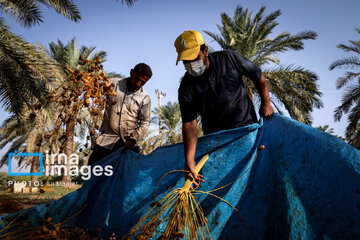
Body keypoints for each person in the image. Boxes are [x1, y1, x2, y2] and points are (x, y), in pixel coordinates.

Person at [174, 30, 274, 187]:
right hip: (216, 140)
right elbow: (190, 124)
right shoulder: (186, 86)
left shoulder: (229, 58)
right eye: (186, 61)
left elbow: (258, 75)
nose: (191, 64)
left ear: (205, 51)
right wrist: (190, 160)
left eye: (195, 58)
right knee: (223, 182)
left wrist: (266, 102)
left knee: (255, 176)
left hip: (245, 129)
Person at [88, 63, 152, 165]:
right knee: (94, 169)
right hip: (105, 141)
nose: (138, 84)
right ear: (131, 72)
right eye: (137, 79)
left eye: (143, 83)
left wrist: (133, 140)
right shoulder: (112, 84)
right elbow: (95, 91)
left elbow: (145, 123)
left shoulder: (145, 98)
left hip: (127, 145)